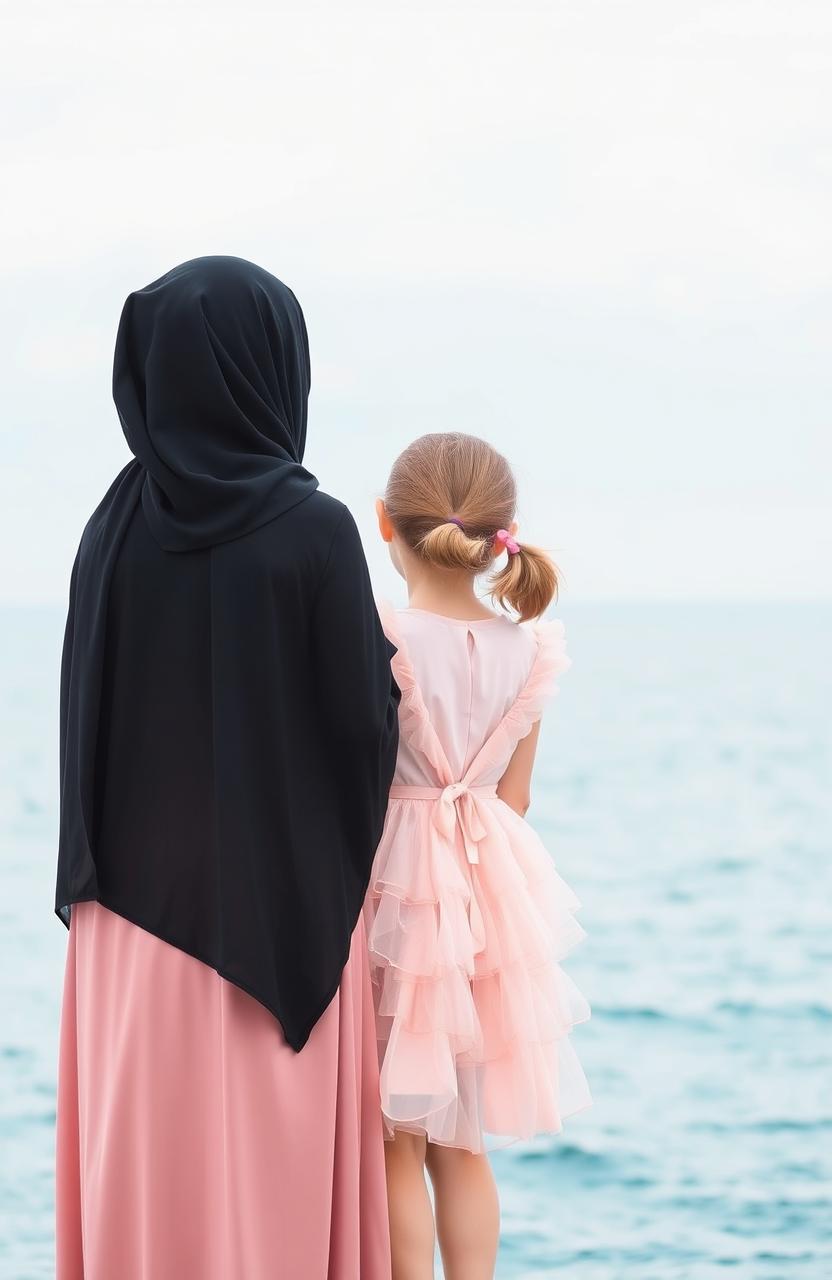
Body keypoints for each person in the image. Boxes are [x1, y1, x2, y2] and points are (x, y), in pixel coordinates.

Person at [54, 256, 400, 1280]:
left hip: (123, 932)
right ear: (271, 367)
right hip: (272, 919)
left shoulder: (110, 525)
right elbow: (360, 734)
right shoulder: (312, 527)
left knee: (147, 1201)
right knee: (269, 1204)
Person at [364, 432, 591, 1280]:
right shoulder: (532, 649)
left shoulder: (379, 630)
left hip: (393, 892)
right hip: (487, 889)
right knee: (462, 1142)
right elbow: (515, 800)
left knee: (393, 1137)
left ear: (385, 523)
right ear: (503, 533)